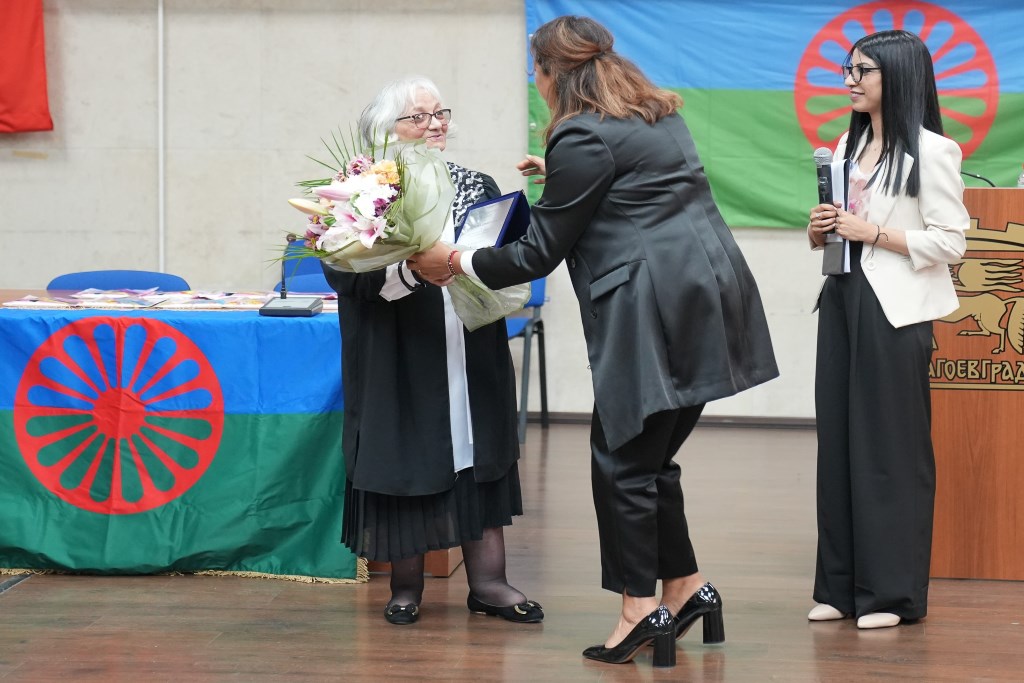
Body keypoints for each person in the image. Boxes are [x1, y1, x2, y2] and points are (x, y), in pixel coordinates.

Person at [409, 16, 777, 667]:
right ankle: (688, 587)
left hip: (654, 311)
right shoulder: (655, 113)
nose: (537, 82)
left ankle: (640, 608)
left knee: (622, 458)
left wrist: (454, 262)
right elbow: (633, 191)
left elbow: (538, 253)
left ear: (554, 74)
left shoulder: (580, 133)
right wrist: (558, 173)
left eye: (538, 72)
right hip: (712, 299)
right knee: (651, 457)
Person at [322, 76, 542, 627]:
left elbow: (507, 251)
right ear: (384, 129)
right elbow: (343, 272)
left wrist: (481, 261)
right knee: (409, 454)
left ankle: (489, 584)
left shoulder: (474, 182)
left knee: (477, 451)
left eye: (439, 113)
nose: (434, 123)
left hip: (470, 342)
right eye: (417, 116)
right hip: (400, 347)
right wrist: (411, 269)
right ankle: (405, 587)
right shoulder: (358, 189)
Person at [805, 30, 968, 629]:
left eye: (863, 71)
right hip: (843, 298)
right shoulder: (846, 143)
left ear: (895, 77)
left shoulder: (932, 150)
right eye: (848, 69)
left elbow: (952, 242)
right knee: (840, 446)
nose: (849, 80)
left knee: (891, 453)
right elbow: (840, 227)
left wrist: (869, 232)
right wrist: (822, 228)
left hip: (896, 310)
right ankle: (840, 588)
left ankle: (892, 595)